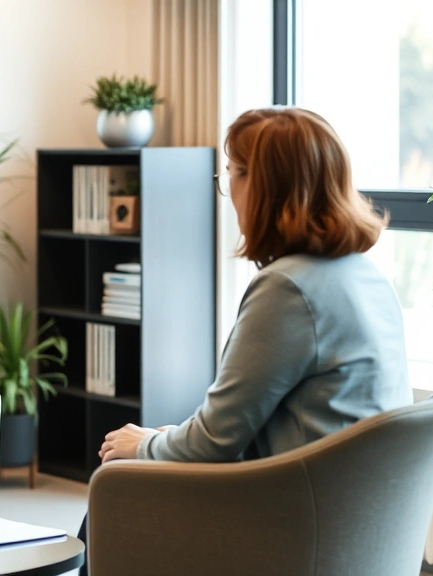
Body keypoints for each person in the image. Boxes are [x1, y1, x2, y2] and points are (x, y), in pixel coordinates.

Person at [78, 107, 412, 574]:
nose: (227, 191)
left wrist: (145, 446)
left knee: (114, 485)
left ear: (265, 187)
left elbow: (214, 442)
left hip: (292, 526)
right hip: (354, 524)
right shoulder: (365, 274)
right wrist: (165, 438)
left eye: (231, 174)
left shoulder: (287, 289)